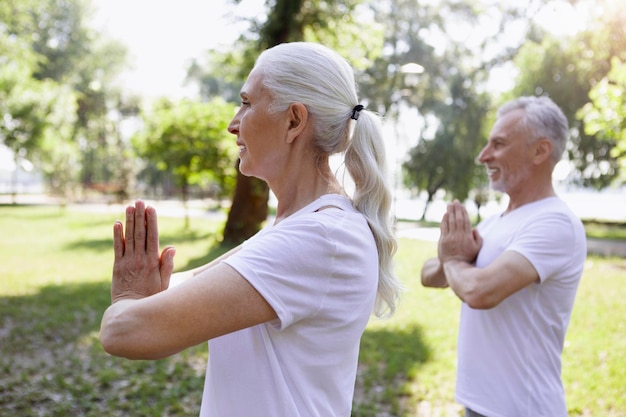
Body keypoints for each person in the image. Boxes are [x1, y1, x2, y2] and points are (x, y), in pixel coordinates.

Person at [99, 41, 401, 417]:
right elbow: (175, 290)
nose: (232, 123)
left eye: (246, 102)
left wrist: (126, 297)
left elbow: (124, 331)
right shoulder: (299, 229)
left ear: (293, 121)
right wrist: (144, 295)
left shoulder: (321, 238)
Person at [421, 96, 587, 417]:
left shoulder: (555, 222)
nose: (483, 156)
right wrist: (450, 259)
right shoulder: (496, 222)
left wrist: (455, 262)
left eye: (498, 144)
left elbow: (479, 291)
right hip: (480, 404)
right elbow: (429, 275)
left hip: (523, 408)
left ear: (540, 151)